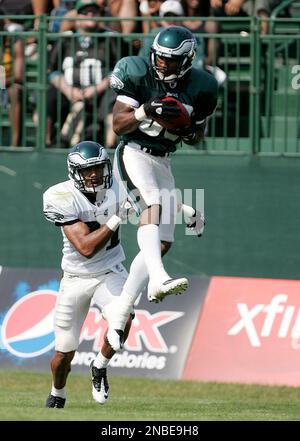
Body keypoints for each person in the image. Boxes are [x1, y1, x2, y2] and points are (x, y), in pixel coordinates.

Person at [104, 25, 217, 352]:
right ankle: (157, 278)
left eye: (170, 61)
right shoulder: (136, 71)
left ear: (186, 60)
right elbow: (117, 124)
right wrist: (144, 110)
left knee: (163, 242)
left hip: (163, 160)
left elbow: (197, 136)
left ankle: (124, 307)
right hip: (134, 152)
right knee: (151, 203)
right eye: (160, 58)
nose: (162, 64)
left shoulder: (202, 85)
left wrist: (184, 126)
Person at [42, 141, 134, 408]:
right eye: (87, 170)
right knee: (63, 353)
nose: (94, 175)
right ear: (74, 172)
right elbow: (86, 248)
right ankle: (57, 392)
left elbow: (156, 203)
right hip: (75, 277)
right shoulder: (59, 196)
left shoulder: (119, 186)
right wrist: (117, 217)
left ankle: (99, 367)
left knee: (124, 318)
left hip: (111, 270)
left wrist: (185, 211)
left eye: (98, 168)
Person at [46, 0, 118, 148]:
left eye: (94, 12)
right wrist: (68, 90)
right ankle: (45, 143)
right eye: (85, 12)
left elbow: (117, 70)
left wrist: (96, 89)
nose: (90, 15)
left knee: (114, 96)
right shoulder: (66, 38)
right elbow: (52, 70)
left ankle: (110, 145)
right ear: (77, 16)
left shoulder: (109, 38)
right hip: (68, 89)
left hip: (100, 90)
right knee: (49, 96)